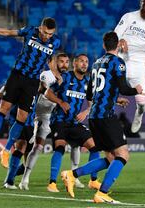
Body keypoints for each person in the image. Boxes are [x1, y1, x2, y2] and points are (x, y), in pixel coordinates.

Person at [61, 31, 142, 203]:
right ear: (118, 44)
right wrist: (137, 90)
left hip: (95, 117)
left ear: (104, 45)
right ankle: (102, 193)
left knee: (110, 157)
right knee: (123, 155)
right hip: (106, 116)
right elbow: (124, 88)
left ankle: (72, 174)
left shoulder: (96, 64)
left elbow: (90, 93)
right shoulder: (117, 62)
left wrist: (112, 99)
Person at [0, 17, 61, 169]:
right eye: (46, 32)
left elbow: (50, 59)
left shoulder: (56, 42)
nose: (47, 36)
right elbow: (8, 33)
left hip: (32, 82)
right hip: (17, 75)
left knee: (23, 117)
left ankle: (6, 151)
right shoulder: (29, 31)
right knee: (4, 108)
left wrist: (56, 74)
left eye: (50, 34)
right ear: (41, 28)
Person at [18, 53, 86, 190]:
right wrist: (59, 99)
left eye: (67, 62)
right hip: (40, 115)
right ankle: (25, 178)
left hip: (55, 115)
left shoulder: (67, 78)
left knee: (76, 144)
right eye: (61, 62)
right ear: (53, 62)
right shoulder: (47, 75)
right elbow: (43, 89)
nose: (64, 65)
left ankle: (74, 176)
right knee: (37, 147)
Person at [44, 54, 101, 194]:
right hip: (59, 120)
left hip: (74, 122)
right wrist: (61, 102)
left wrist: (86, 112)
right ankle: (52, 183)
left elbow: (93, 102)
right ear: (74, 64)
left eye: (87, 62)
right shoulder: (65, 78)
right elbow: (47, 93)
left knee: (95, 147)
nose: (84, 64)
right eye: (81, 61)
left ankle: (93, 181)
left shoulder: (88, 82)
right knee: (60, 149)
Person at [114, 0, 145, 134]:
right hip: (122, 61)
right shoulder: (129, 17)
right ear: (141, 3)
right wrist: (120, 40)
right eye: (144, 4)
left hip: (140, 65)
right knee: (109, 94)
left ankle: (139, 114)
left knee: (141, 103)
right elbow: (116, 33)